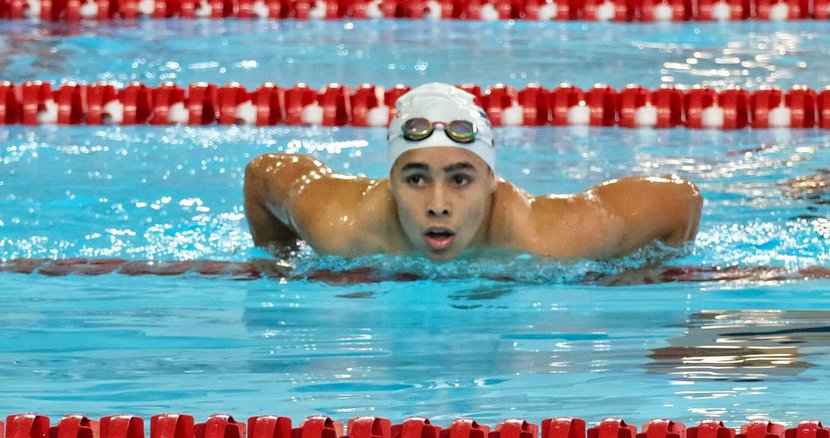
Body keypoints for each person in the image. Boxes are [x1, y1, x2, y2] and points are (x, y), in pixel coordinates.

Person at [243, 82, 702, 263]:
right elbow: (263, 174)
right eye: (416, 178)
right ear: (390, 183)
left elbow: (680, 199)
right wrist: (280, 262)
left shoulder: (546, 236)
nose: (438, 203)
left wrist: (652, 269)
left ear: (491, 183)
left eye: (460, 179)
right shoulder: (340, 227)